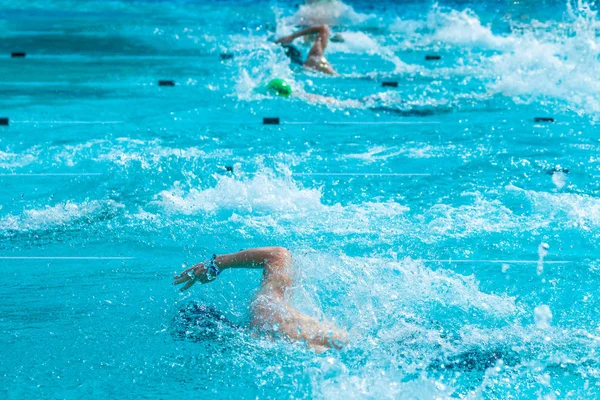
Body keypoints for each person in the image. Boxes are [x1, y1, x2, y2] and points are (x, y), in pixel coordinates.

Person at [173, 247, 348, 352]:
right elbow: (278, 255)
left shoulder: (266, 309)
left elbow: (278, 254)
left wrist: (215, 265)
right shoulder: (268, 306)